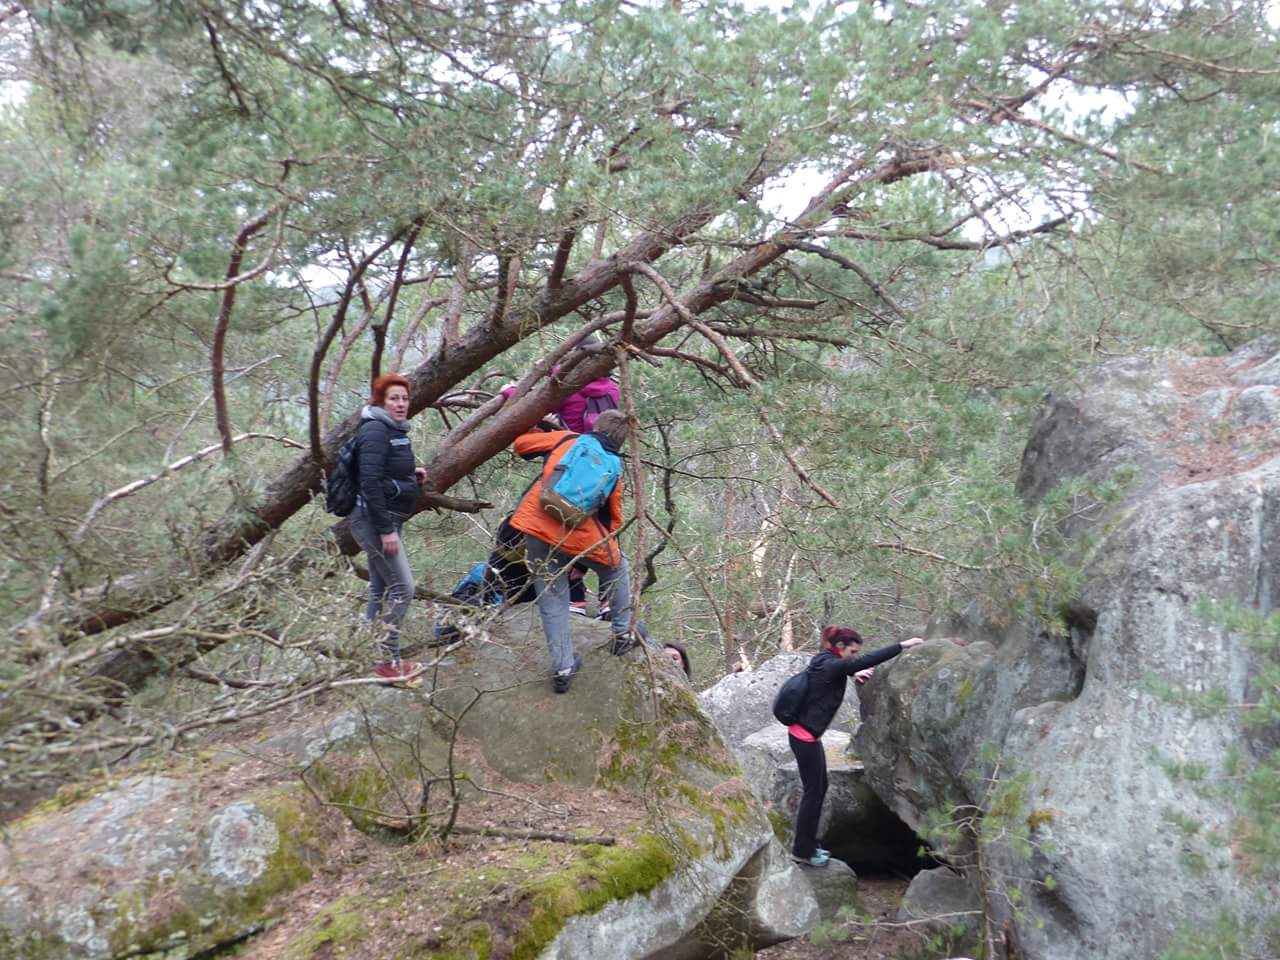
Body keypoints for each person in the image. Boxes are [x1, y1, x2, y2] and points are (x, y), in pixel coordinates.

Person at [508, 408, 637, 693]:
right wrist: (603, 548)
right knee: (617, 568)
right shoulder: (614, 465)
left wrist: (539, 426)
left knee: (552, 597)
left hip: (539, 524)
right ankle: (622, 632)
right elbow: (614, 518)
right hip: (580, 534)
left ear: (595, 425)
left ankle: (562, 668)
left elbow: (521, 445)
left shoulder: (568, 439)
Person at [501, 334, 620, 619]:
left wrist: (509, 391)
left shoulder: (566, 384)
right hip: (603, 470)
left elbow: (528, 404)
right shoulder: (612, 390)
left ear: (578, 356)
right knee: (601, 529)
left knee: (557, 525)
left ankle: (575, 598)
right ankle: (608, 602)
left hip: (569, 465)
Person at [788, 625, 925, 867]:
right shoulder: (832, 664)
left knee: (819, 788)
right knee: (813, 792)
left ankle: (808, 844)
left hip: (806, 736)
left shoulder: (825, 659)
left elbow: (833, 674)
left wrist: (853, 672)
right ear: (840, 646)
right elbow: (865, 660)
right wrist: (901, 646)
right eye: (852, 652)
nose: (854, 656)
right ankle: (802, 851)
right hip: (804, 738)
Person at [349, 373, 427, 685]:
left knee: (380, 588)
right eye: (394, 398)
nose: (400, 404)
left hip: (387, 518)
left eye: (404, 398)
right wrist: (385, 530)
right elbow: (368, 481)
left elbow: (382, 470)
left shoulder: (393, 430)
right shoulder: (375, 430)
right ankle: (388, 662)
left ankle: (366, 656)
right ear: (380, 401)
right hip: (375, 521)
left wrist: (410, 475)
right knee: (403, 588)